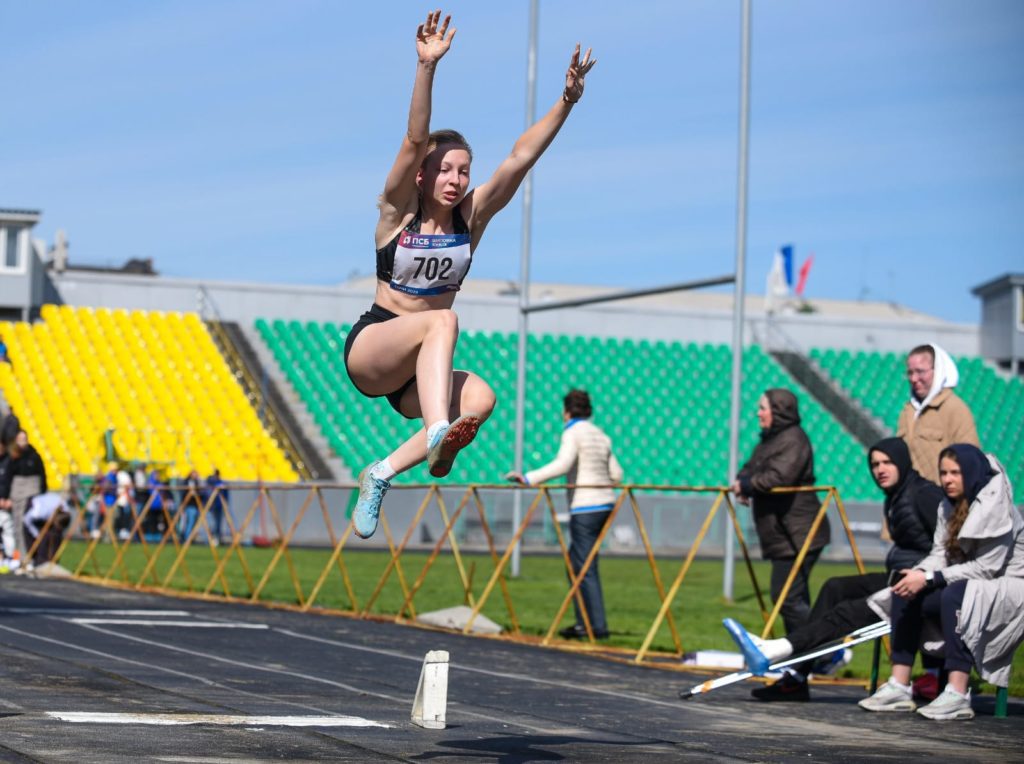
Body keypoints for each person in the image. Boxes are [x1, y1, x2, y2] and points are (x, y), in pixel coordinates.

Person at [342, 10, 596, 539]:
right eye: (445, 169)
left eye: (463, 170)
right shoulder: (396, 214)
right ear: (422, 176)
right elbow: (414, 139)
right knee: (443, 321)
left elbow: (520, 157)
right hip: (375, 348)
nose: (456, 179)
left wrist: (567, 102)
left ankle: (380, 474)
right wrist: (426, 67)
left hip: (418, 377)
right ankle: (437, 432)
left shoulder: (471, 220)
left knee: (481, 400)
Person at [721, 437, 944, 701]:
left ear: (903, 463)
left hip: (923, 584)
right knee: (834, 587)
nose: (880, 470)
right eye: (874, 464)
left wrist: (927, 577)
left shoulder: (924, 494)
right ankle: (797, 677)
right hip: (897, 577)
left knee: (847, 611)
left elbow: (949, 545)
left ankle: (775, 650)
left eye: (887, 463)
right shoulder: (895, 496)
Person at [858, 444, 1023, 720]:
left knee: (953, 595)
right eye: (943, 472)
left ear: (971, 473)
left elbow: (987, 569)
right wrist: (918, 574)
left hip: (1010, 586)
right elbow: (939, 554)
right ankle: (899, 686)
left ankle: (958, 693)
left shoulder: (997, 506)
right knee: (906, 587)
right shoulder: (948, 505)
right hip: (973, 583)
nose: (947, 479)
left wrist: (930, 577)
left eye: (955, 473)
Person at [506, 390, 624, 640]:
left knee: (583, 567)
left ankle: (594, 626)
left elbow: (563, 464)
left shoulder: (573, 432)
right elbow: (616, 474)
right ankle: (588, 623)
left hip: (585, 505)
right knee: (580, 563)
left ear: (567, 411)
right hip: (605, 504)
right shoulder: (600, 435)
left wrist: (529, 478)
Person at [731, 389, 830, 633]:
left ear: (779, 411)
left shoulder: (793, 439)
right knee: (793, 598)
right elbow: (749, 468)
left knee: (786, 597)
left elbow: (778, 477)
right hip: (783, 533)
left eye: (763, 408)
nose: (758, 413)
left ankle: (826, 651)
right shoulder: (770, 439)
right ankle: (804, 656)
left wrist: (746, 485)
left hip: (799, 532)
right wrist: (742, 481)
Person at [896, 343, 979, 484]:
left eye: (920, 371)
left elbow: (970, 463)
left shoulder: (955, 409)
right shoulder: (908, 410)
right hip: (910, 500)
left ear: (938, 371)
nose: (914, 379)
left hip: (942, 501)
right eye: (910, 372)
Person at [3, 430, 48, 561]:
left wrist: (42, 493)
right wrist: (5, 497)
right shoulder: (13, 457)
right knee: (17, 525)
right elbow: (8, 478)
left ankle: (34, 555)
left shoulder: (34, 456)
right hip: (17, 493)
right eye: (20, 439)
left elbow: (42, 476)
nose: (22, 442)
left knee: (29, 524)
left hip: (32, 492)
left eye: (24, 439)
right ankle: (21, 555)